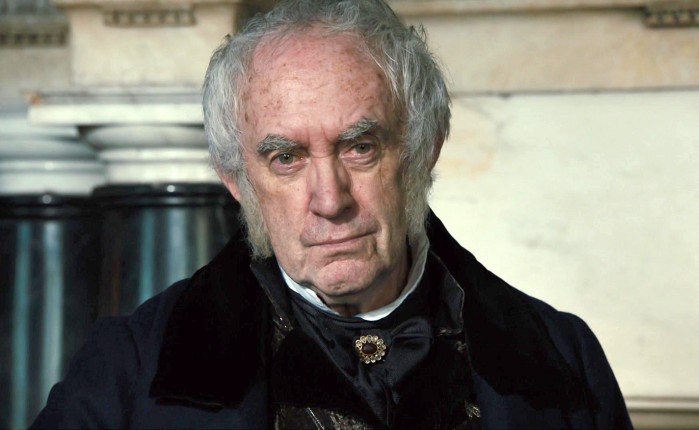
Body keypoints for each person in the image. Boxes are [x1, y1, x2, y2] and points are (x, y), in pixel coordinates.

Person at [32, 0, 633, 428]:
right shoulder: (127, 372)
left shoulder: (564, 359)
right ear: (236, 180)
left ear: (424, 148)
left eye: (359, 147)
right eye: (286, 158)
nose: (330, 199)